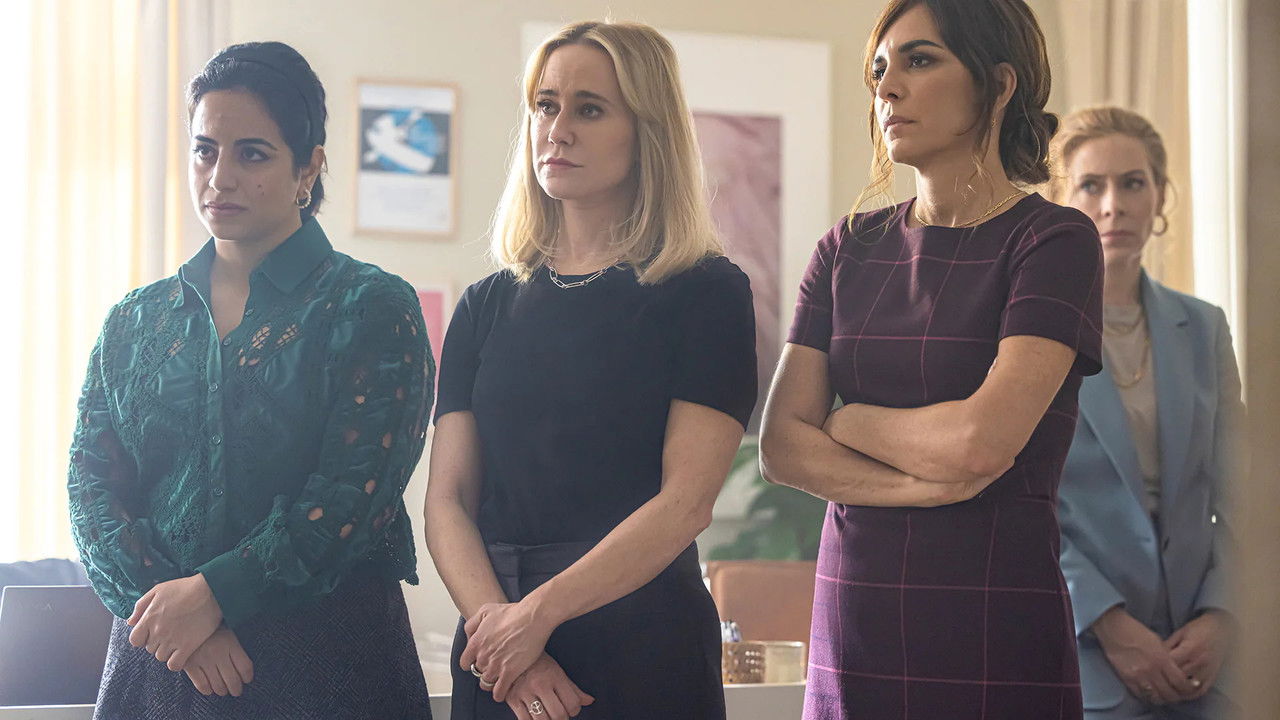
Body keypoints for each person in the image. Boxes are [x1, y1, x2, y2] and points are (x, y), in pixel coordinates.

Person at [67, 41, 434, 719]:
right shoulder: (134, 320)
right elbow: (90, 493)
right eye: (205, 150)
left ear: (308, 167)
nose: (221, 177)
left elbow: (353, 497)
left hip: (327, 668)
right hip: (161, 667)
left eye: (253, 154)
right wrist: (180, 622)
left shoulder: (371, 306)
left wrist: (213, 597)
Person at [759, 1, 1104, 718]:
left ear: (999, 84)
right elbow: (781, 447)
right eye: (880, 70)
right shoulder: (845, 248)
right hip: (854, 624)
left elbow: (979, 443)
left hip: (994, 620)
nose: (887, 88)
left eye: (920, 60)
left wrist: (848, 422)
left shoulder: (1054, 241)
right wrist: (922, 487)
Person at [424, 20, 757, 720]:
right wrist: (505, 636)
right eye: (545, 105)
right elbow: (447, 501)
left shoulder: (706, 292)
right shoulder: (484, 305)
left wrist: (536, 616)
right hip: (495, 652)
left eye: (590, 108)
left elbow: (686, 502)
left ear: (647, 132)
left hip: (641, 639)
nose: (558, 129)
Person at [1052, 106, 1242, 720]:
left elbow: (1243, 492)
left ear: (1159, 196)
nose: (1114, 205)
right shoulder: (1031, 334)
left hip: (1205, 654)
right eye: (1091, 185)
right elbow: (1022, 502)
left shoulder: (1204, 327)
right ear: (1061, 203)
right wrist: (1108, 623)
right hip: (1085, 648)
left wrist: (1222, 614)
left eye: (1133, 183)